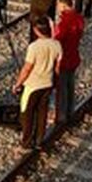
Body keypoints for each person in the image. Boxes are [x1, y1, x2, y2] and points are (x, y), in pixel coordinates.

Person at [13, 18, 61, 150]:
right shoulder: (57, 45)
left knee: (26, 113)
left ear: (36, 30)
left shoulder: (33, 47)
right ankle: (39, 139)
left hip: (32, 86)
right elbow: (57, 68)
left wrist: (18, 84)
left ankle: (27, 141)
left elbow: (27, 69)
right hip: (47, 83)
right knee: (42, 112)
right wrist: (55, 83)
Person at [52, 0, 84, 127]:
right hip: (74, 56)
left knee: (62, 88)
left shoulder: (64, 21)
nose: (57, 8)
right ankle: (71, 111)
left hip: (63, 58)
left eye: (58, 5)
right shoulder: (79, 18)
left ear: (63, 5)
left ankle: (61, 116)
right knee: (71, 86)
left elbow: (57, 40)